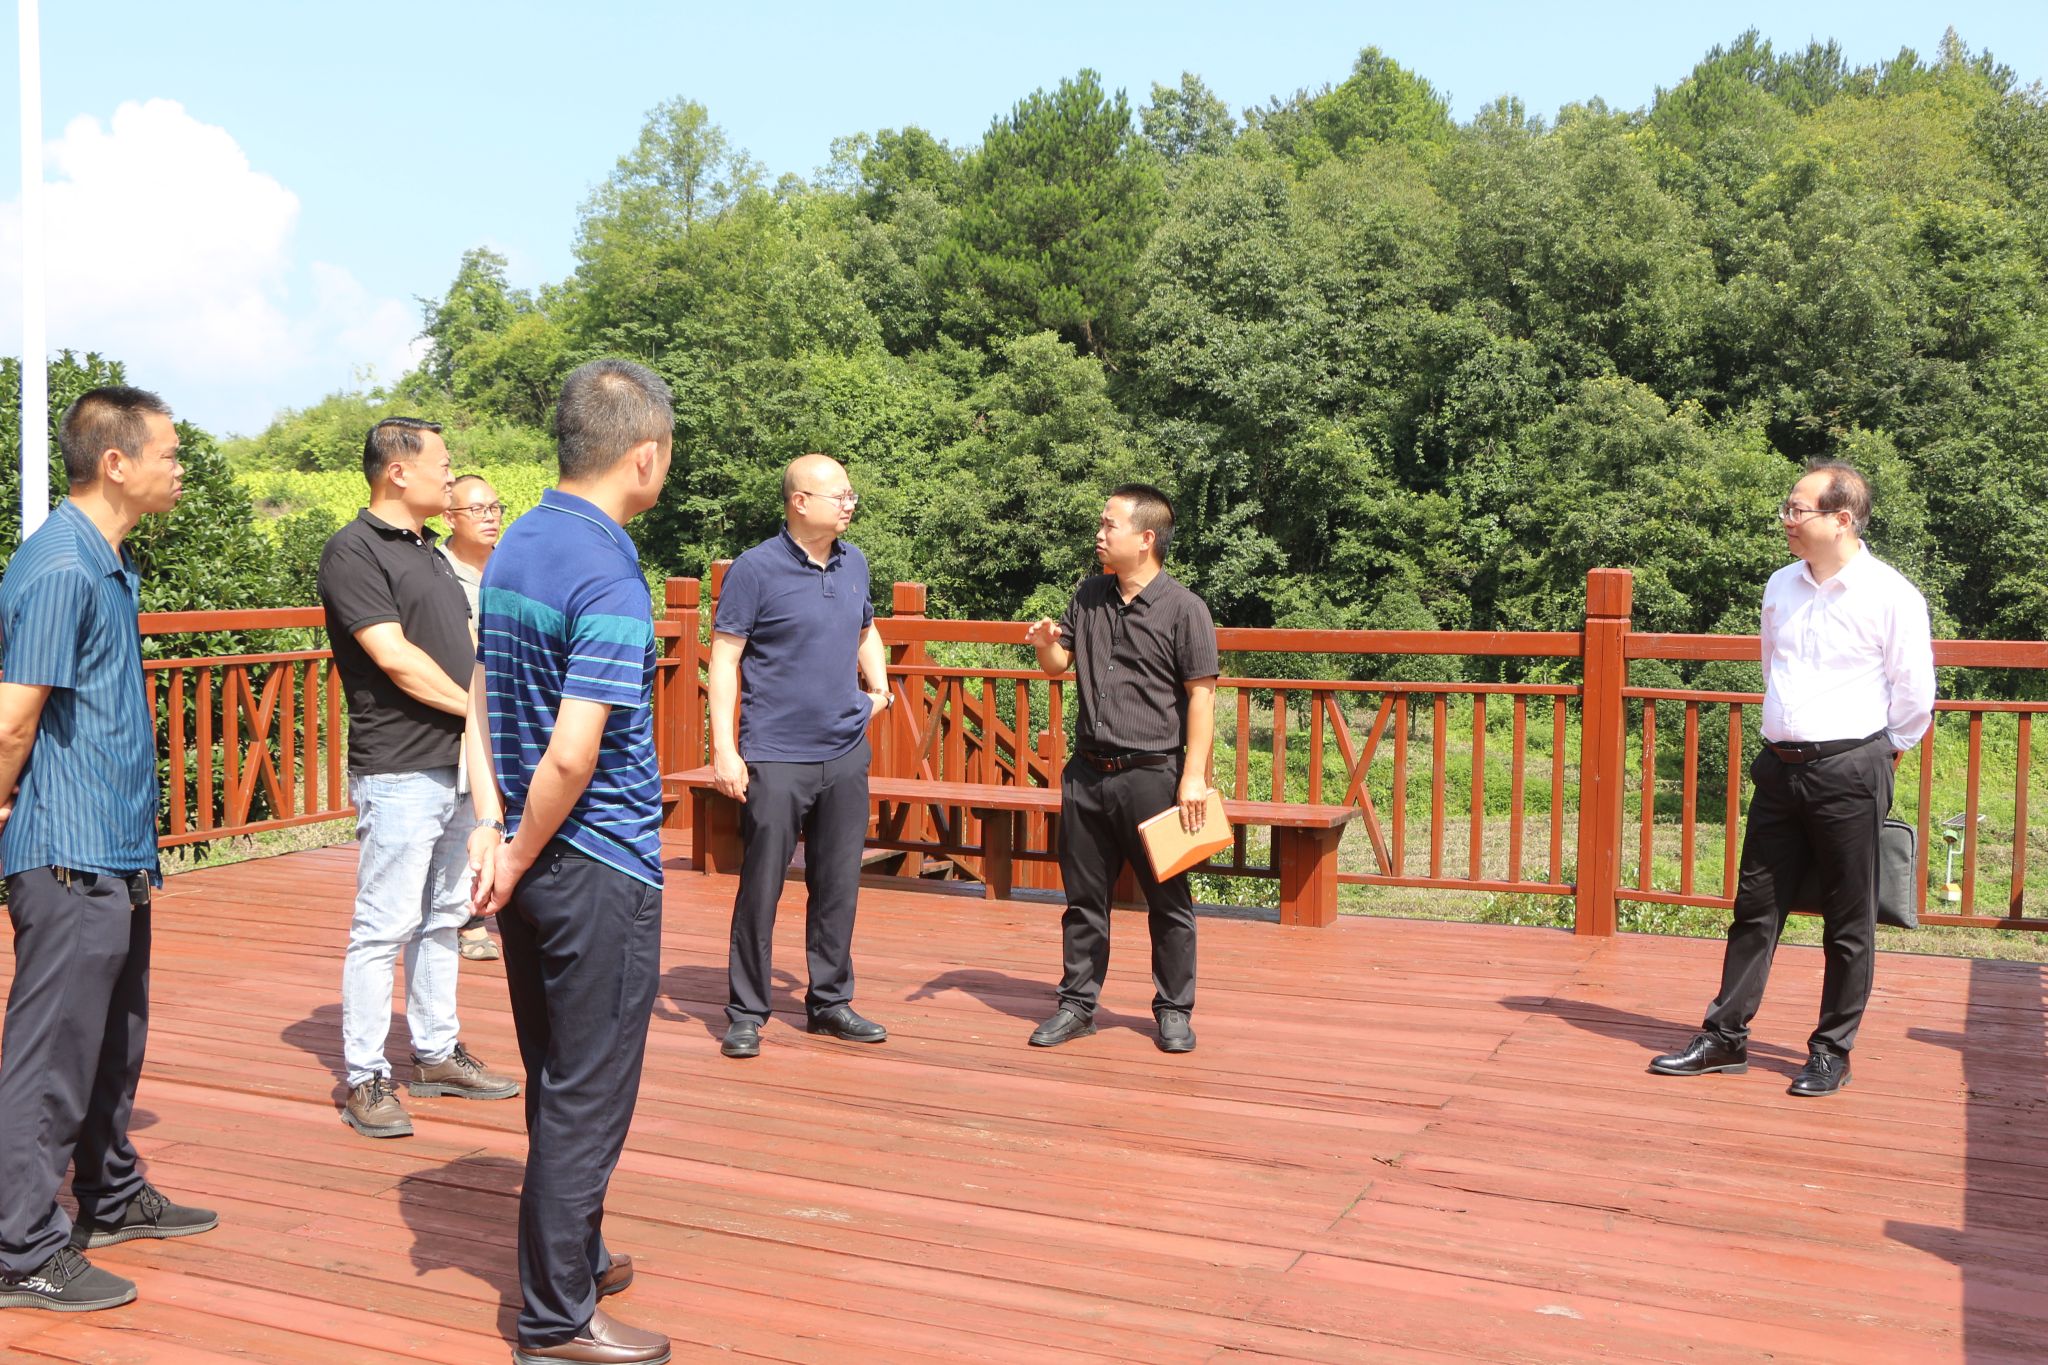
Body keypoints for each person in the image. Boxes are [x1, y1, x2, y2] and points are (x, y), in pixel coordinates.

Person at [468, 359, 674, 1365]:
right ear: (644, 456)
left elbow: (477, 692)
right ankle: (554, 1319)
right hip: (596, 863)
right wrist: (512, 847)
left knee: (555, 1075)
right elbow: (573, 752)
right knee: (588, 1092)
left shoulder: (516, 542)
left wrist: (490, 827)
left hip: (530, 860)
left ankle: (577, 1254)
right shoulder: (608, 574)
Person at [0, 386, 216, 1313]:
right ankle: (19, 1250)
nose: (180, 467)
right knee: (52, 1057)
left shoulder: (105, 559)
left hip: (113, 848)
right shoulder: (63, 566)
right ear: (116, 462)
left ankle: (111, 1190)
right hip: (67, 850)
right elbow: (14, 718)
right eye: (169, 452)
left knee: (111, 1039)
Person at [1651, 461, 1935, 1097]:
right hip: (1779, 767)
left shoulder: (1891, 595)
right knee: (1755, 908)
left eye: (1797, 509)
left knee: (1848, 920)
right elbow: (1771, 665)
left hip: (1851, 769)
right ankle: (1724, 1038)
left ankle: (1831, 1051)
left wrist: (1880, 755)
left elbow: (1915, 693)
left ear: (1842, 519)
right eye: (1787, 508)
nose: (1787, 519)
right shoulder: (1781, 584)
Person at [318, 419, 519, 1140]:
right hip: (401, 766)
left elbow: (465, 647)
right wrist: (477, 713)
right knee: (384, 925)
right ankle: (366, 1076)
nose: (451, 475)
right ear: (398, 471)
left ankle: (435, 1052)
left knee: (444, 915)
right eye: (443, 463)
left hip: (456, 761)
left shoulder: (427, 551)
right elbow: (395, 658)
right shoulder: (354, 550)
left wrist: (482, 730)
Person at [709, 454, 892, 1061]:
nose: (850, 503)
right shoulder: (754, 569)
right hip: (776, 755)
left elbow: (866, 629)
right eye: (840, 494)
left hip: (845, 750)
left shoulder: (854, 560)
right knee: (761, 887)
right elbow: (725, 660)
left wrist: (880, 690)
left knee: (838, 884)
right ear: (800, 502)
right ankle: (746, 1012)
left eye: (851, 494)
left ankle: (830, 1001)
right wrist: (725, 750)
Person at [1023, 484, 1218, 1054]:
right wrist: (1044, 644)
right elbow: (1058, 665)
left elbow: (1202, 696)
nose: (1099, 533)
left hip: (1154, 775)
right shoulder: (1089, 595)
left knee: (1169, 901)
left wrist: (1193, 776)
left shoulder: (1185, 609)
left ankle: (1174, 1011)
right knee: (1084, 900)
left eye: (1110, 525)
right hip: (1087, 772)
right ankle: (1077, 1006)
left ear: (1146, 538)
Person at [438, 473, 505, 963]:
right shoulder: (438, 571)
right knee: (463, 815)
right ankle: (468, 919)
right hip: (452, 703)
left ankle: (483, 901)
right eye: (477, 510)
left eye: (495, 508)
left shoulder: (507, 566)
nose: (489, 518)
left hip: (504, 704)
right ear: (449, 518)